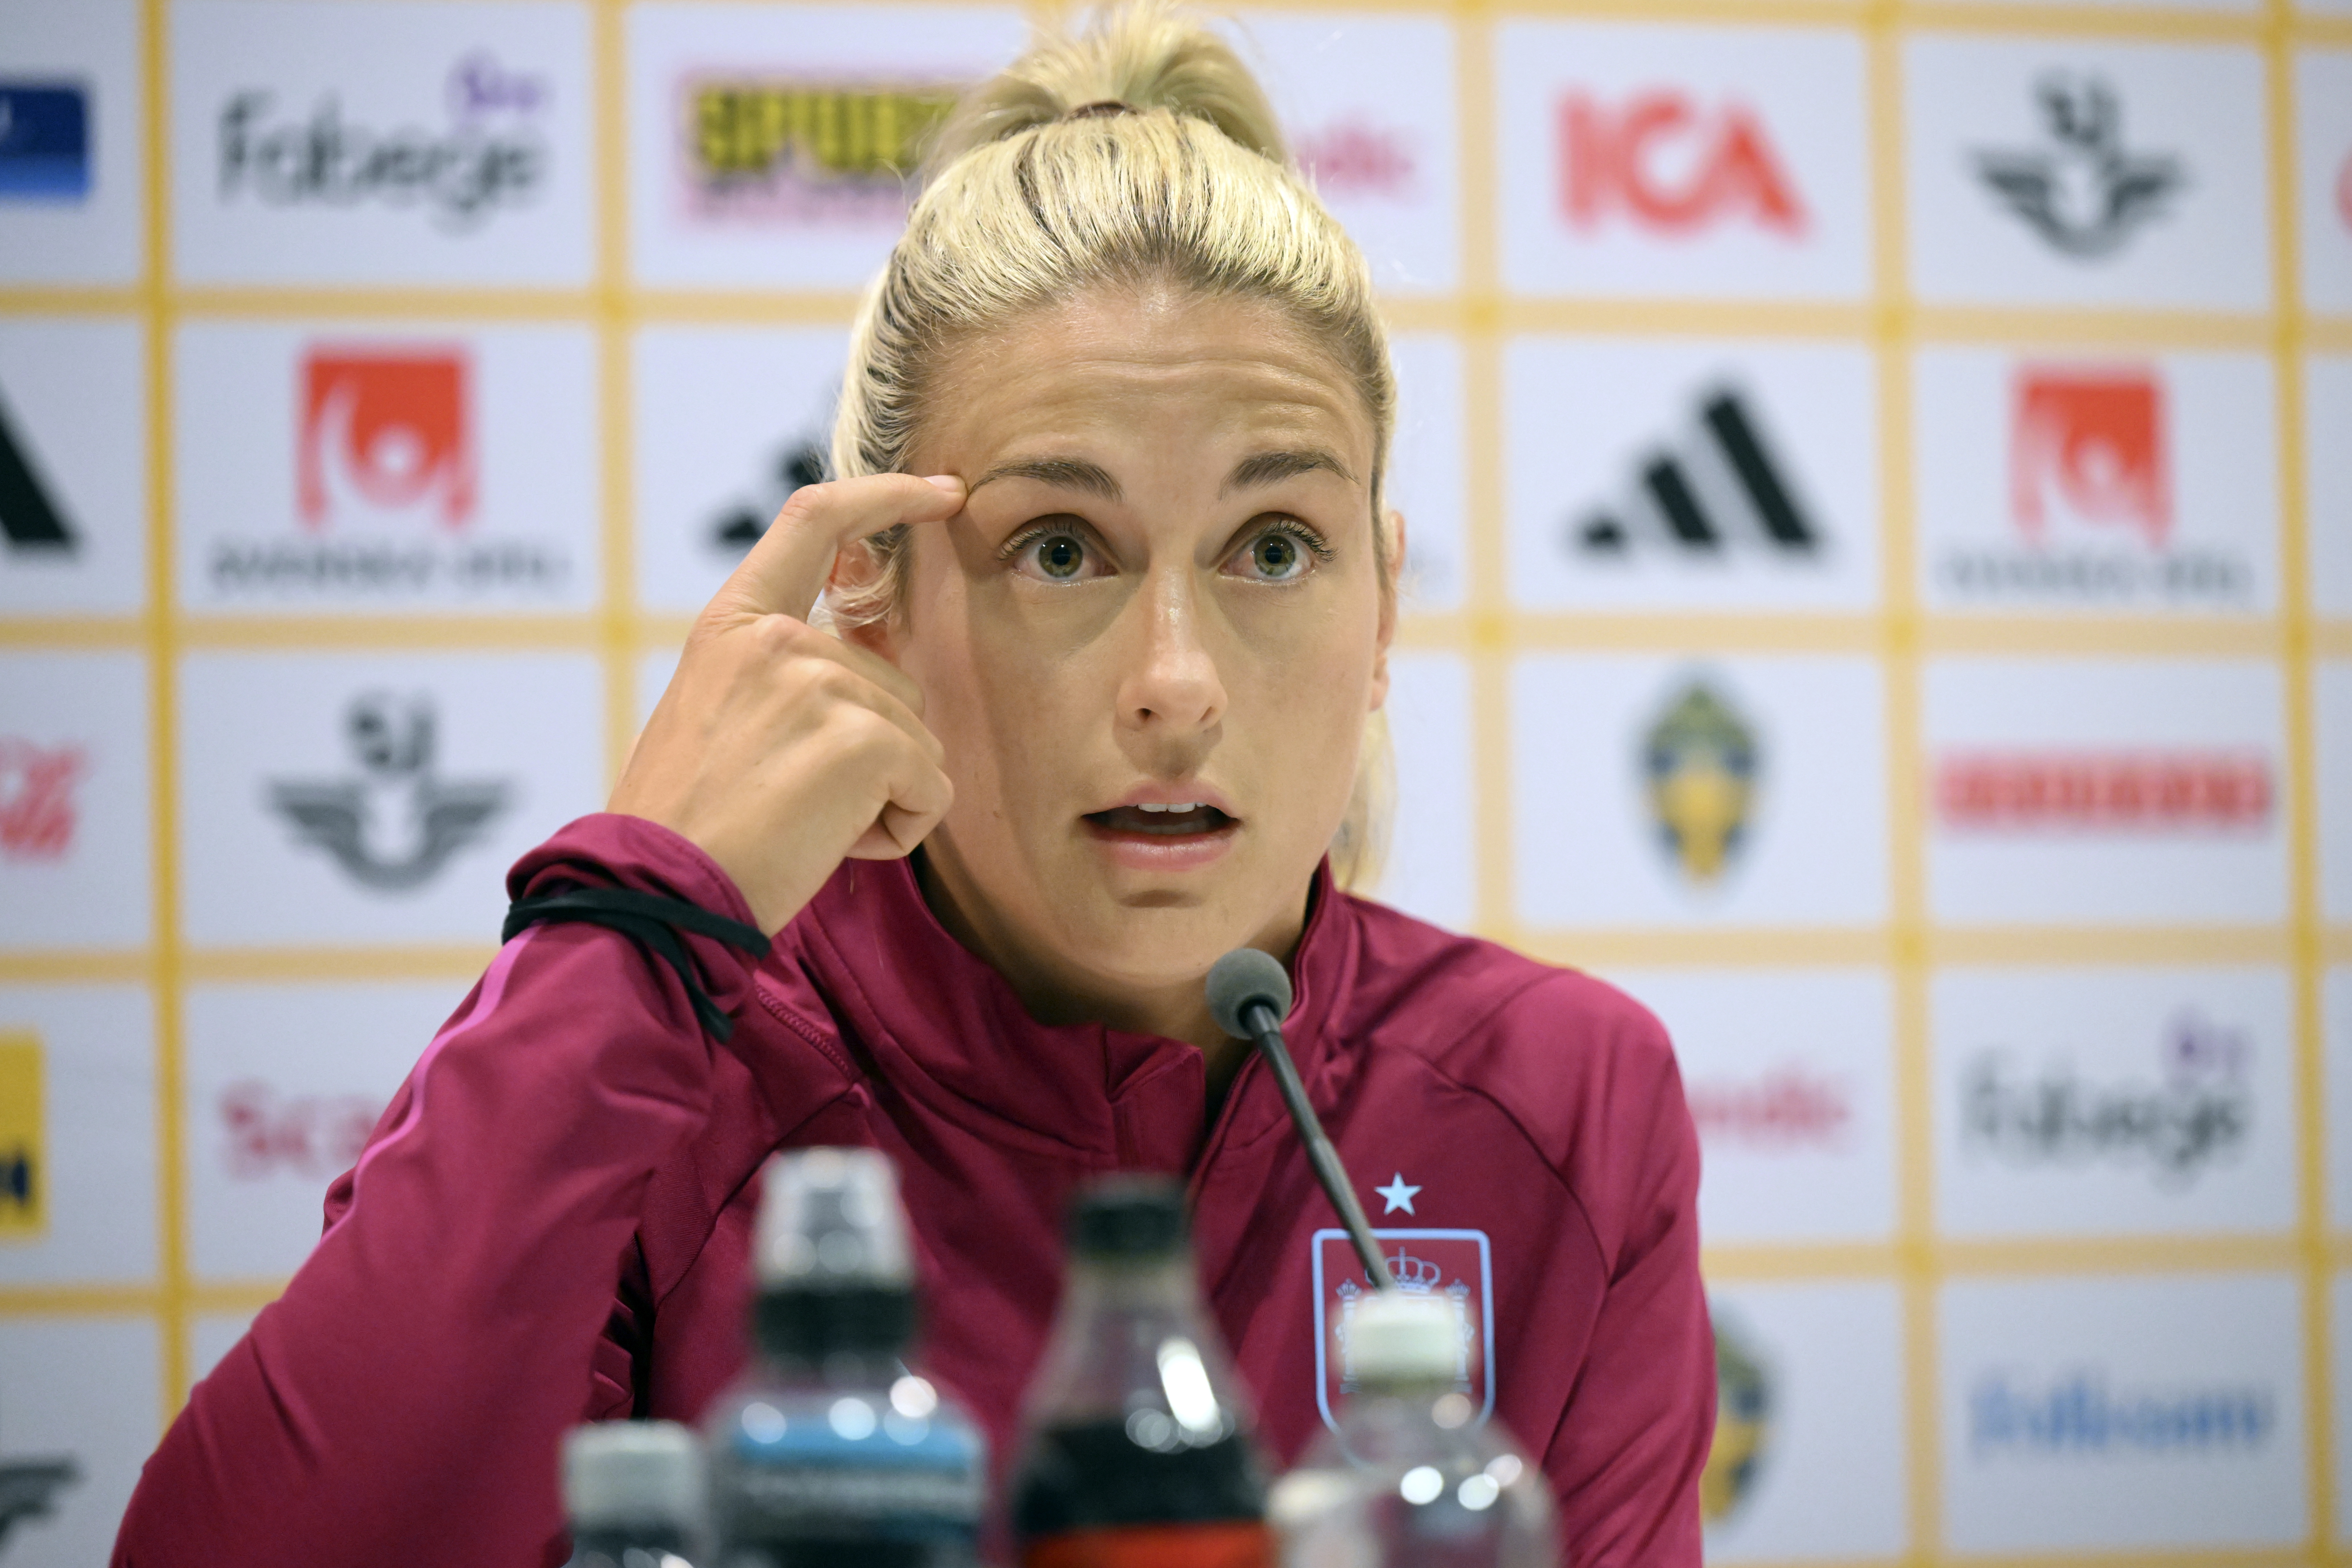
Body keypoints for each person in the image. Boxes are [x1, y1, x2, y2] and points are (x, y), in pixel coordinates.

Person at [114, 8, 1711, 1565]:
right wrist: (631, 920)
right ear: (873, 592)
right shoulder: (667, 1075)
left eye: (1275, 547)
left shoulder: (1564, 1098)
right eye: (1060, 549)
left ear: (1385, 609)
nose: (1177, 682)